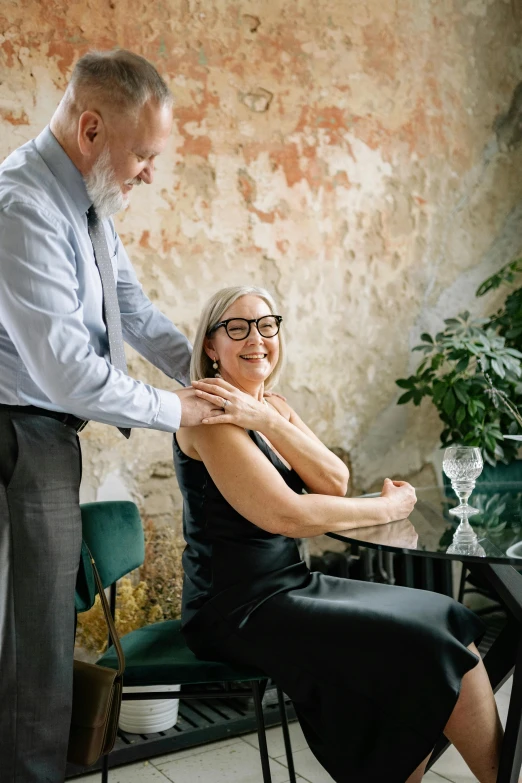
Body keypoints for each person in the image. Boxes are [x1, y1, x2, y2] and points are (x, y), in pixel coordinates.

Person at [0, 49, 226, 783]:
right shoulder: (24, 207)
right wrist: (181, 409)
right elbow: (68, 372)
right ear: (91, 129)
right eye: (144, 155)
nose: (150, 173)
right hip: (17, 437)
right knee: (33, 645)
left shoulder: (89, 197)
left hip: (44, 435)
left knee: (41, 638)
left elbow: (131, 308)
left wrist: (209, 375)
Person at [173, 285, 504, 783]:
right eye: (236, 328)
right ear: (211, 348)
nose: (256, 339)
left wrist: (268, 417)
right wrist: (386, 508)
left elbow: (333, 479)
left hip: (291, 584)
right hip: (237, 607)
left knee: (448, 619)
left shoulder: (271, 407)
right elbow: (286, 515)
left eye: (267, 325)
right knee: (417, 643)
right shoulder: (210, 414)